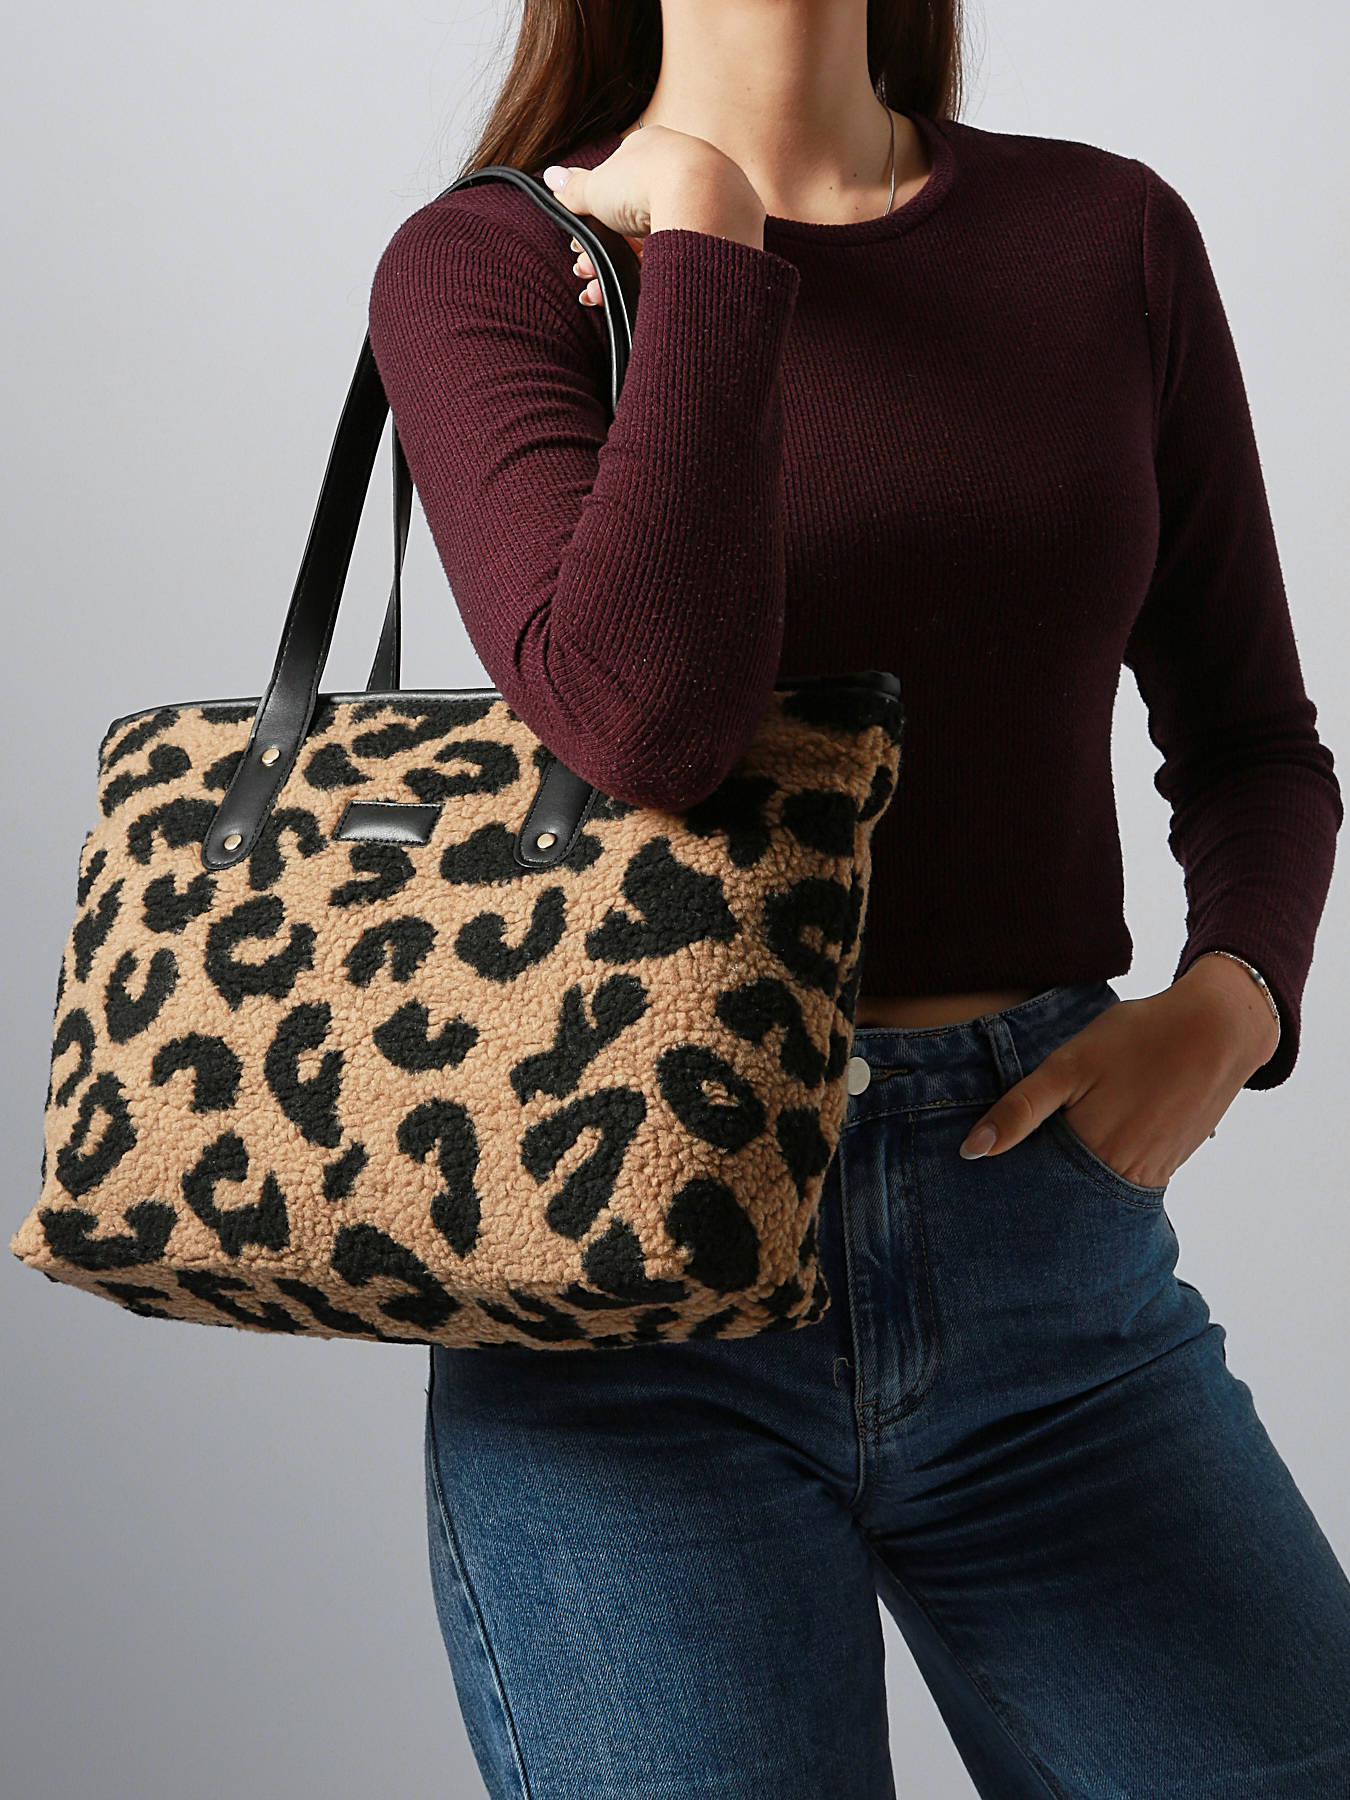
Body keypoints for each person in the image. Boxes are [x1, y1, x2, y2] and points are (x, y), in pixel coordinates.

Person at [366, 1, 1350, 1792]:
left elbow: (1253, 745)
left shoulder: (1106, 236)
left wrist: (1232, 1006)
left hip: (1045, 1250)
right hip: (625, 1292)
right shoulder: (491, 264)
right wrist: (710, 242)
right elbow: (644, 723)